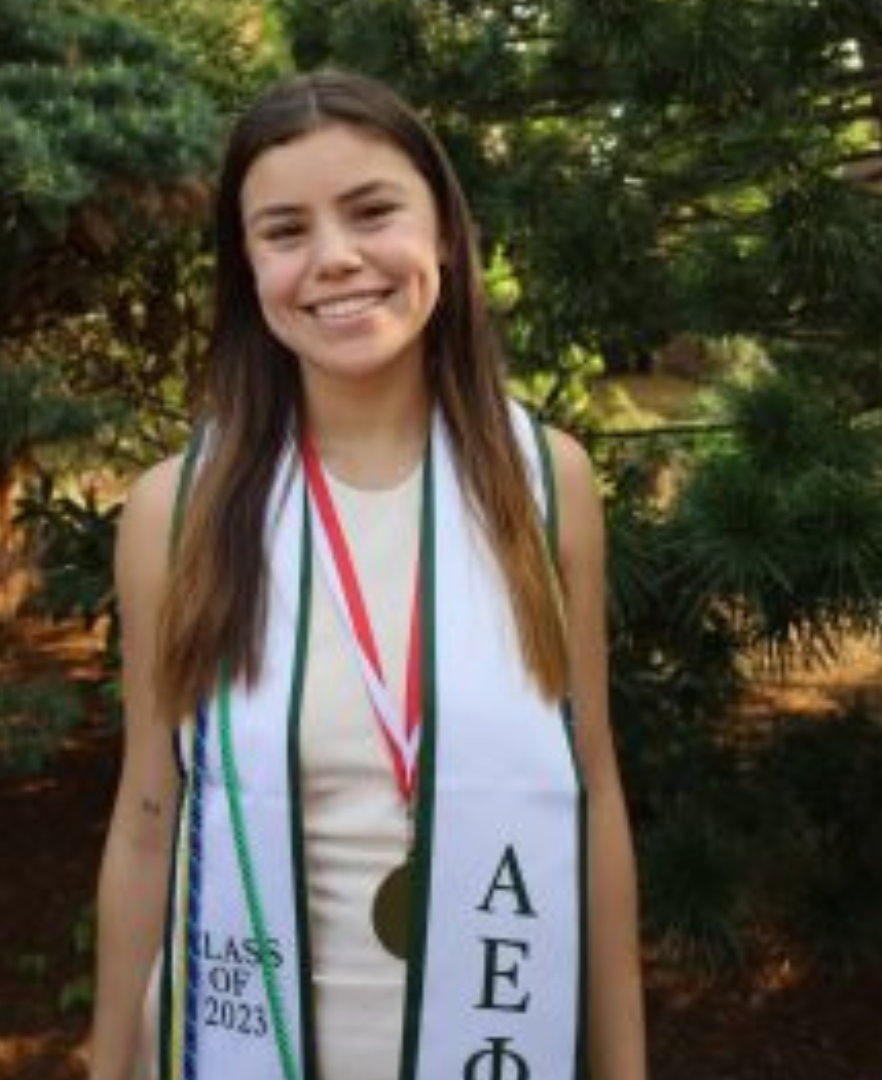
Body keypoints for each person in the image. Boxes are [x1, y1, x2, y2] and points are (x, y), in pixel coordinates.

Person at [89, 70, 646, 1080]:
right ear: (247, 267)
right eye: (285, 230)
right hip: (242, 1052)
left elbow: (592, 793)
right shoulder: (176, 511)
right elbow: (147, 817)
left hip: (496, 1041)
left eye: (372, 210)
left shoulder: (548, 487)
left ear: (442, 232)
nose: (335, 259)